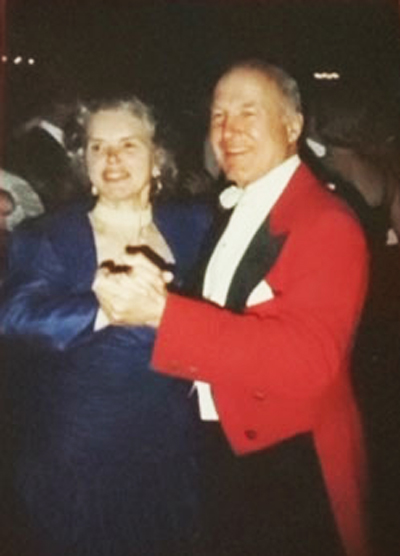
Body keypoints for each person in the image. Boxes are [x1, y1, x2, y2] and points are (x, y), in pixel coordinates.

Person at [99, 61, 371, 556]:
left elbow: (309, 363)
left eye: (249, 112)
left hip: (289, 462)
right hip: (226, 448)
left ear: (293, 125)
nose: (228, 129)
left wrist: (165, 315)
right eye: (219, 115)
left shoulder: (326, 221)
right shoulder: (230, 209)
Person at [0, 95, 212, 556]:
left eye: (128, 145)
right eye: (97, 147)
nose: (111, 159)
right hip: (81, 451)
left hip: (169, 445)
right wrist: (101, 309)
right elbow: (13, 317)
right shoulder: (50, 235)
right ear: (83, 160)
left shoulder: (196, 224)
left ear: (158, 157)